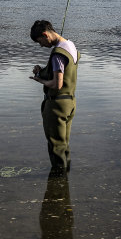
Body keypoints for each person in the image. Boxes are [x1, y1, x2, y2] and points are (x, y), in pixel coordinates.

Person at [30, 20, 80, 172]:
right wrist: (43, 70)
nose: (41, 45)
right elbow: (63, 73)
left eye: (40, 41)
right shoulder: (70, 46)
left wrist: (39, 80)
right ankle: (64, 183)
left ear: (45, 34)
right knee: (63, 144)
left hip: (57, 105)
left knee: (56, 146)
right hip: (70, 103)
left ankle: (58, 182)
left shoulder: (58, 54)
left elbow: (57, 84)